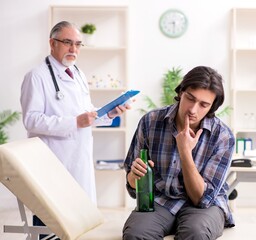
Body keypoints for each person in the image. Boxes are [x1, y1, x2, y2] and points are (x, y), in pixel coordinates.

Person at [20, 21, 129, 238]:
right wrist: (74, 122)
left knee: (74, 225)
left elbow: (86, 114)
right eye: (68, 43)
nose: (74, 49)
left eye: (78, 44)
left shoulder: (77, 72)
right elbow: (31, 120)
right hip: (51, 162)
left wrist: (108, 114)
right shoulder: (37, 76)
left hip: (78, 160)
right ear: (52, 43)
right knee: (49, 225)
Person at [123, 66, 235, 240]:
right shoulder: (150, 122)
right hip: (161, 201)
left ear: (212, 107)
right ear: (181, 92)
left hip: (204, 207)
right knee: (136, 234)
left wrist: (185, 151)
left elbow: (202, 199)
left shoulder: (223, 136)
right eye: (190, 98)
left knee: (195, 233)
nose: (193, 109)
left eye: (203, 105)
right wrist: (133, 176)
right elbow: (132, 186)